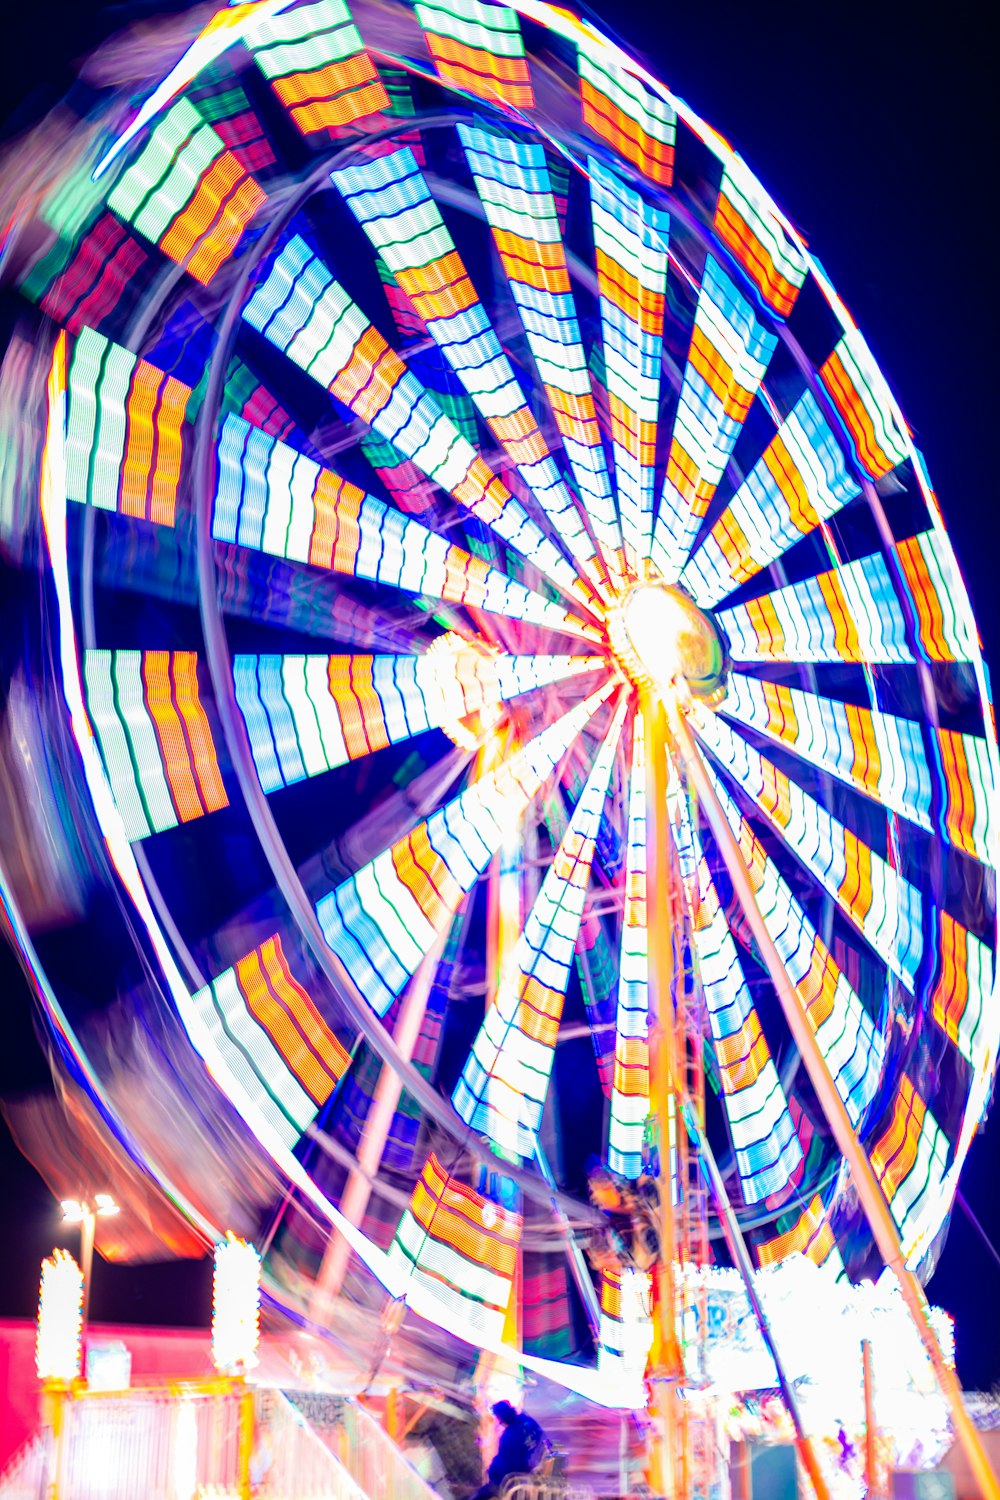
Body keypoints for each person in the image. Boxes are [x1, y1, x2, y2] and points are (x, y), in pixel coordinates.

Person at [469, 1400, 550, 1498]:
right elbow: (544, 1440)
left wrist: (493, 1473)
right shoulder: (528, 1421)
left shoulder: (509, 1437)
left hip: (515, 1480)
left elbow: (508, 1464)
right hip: (534, 1472)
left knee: (483, 1494)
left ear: (501, 1418)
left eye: (498, 1418)